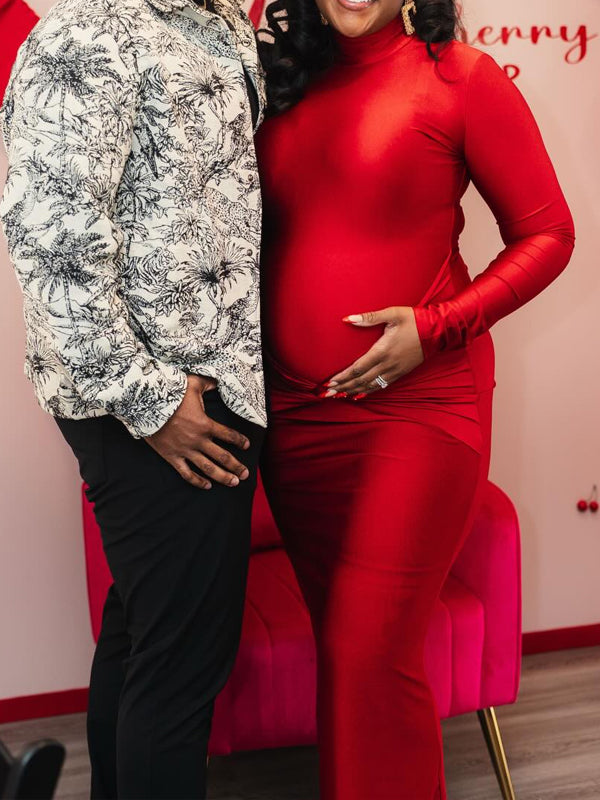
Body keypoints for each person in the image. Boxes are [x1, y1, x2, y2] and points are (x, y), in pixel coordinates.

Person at [255, 0, 575, 797]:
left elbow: (549, 235)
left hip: (420, 409)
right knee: (354, 659)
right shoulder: (282, 81)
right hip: (298, 420)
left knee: (367, 652)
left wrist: (438, 327)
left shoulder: (460, 77)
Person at [0, 0, 266, 794]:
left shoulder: (221, 22)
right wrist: (150, 402)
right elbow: (51, 242)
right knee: (181, 670)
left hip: (205, 382)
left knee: (148, 636)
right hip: (156, 402)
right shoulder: (86, 31)